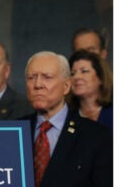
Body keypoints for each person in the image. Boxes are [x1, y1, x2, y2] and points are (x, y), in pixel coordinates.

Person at [23, 51, 112, 187]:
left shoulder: (97, 136)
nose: (38, 84)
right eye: (31, 77)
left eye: (47, 77)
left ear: (66, 86)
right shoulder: (14, 130)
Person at [67, 50, 112, 129]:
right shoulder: (67, 115)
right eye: (72, 73)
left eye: (84, 71)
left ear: (101, 78)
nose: (76, 77)